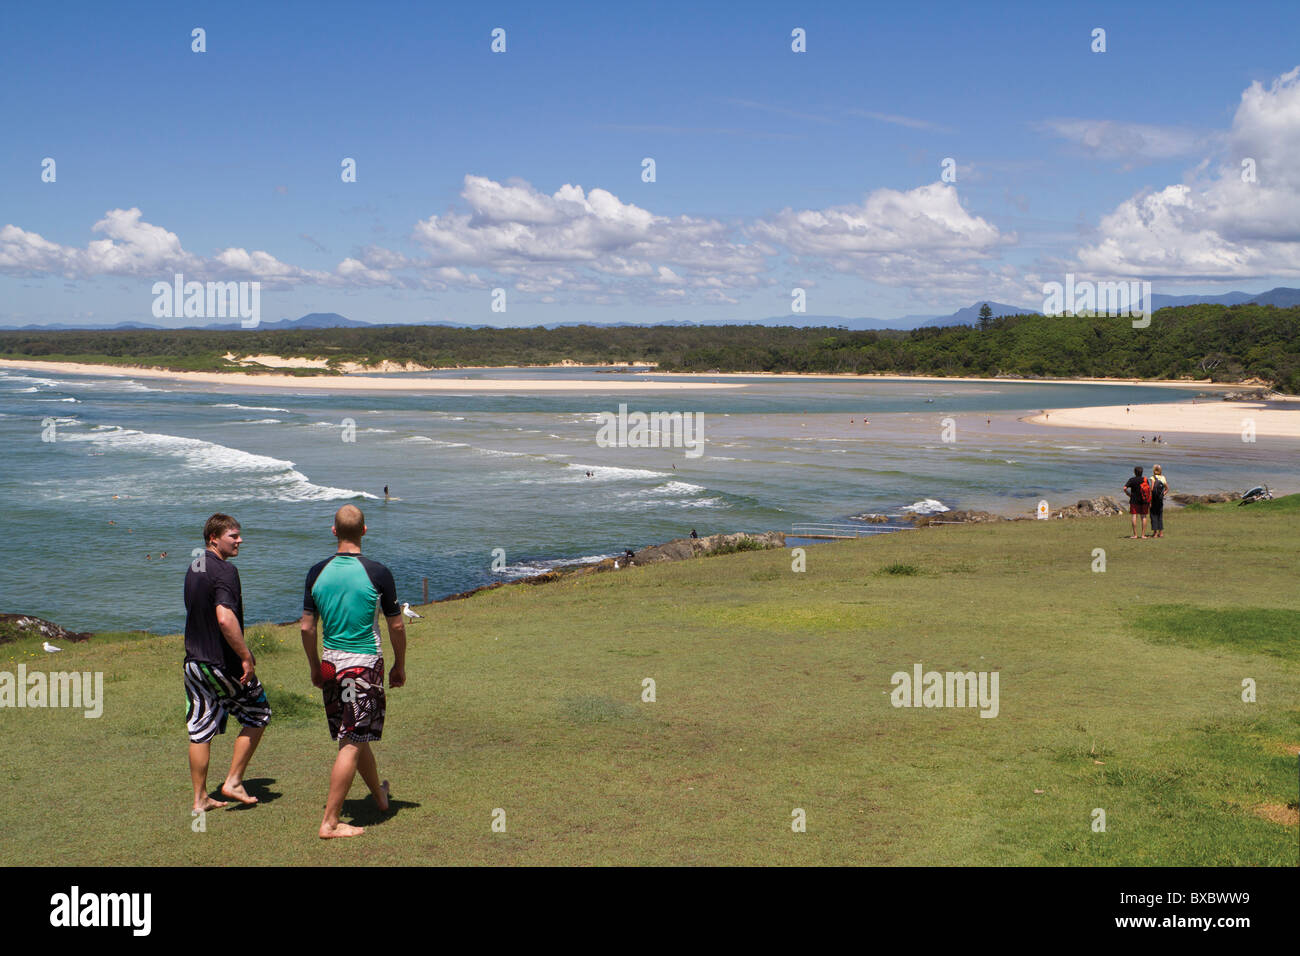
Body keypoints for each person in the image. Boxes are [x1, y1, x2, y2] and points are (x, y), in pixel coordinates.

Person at [301, 504, 406, 839]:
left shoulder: (316, 572)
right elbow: (397, 625)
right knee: (352, 740)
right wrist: (399, 664)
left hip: (332, 666)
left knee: (355, 736)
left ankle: (380, 797)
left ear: (334, 531)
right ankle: (330, 822)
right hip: (363, 666)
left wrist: (315, 666)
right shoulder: (378, 573)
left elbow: (306, 628)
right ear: (364, 530)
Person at [183, 513, 270, 812]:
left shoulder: (194, 568)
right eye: (233, 535)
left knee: (200, 729)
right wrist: (246, 655)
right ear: (213, 539)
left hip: (193, 663)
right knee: (259, 712)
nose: (240, 540)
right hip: (219, 663)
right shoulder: (225, 571)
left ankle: (200, 799)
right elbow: (223, 616)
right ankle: (232, 781)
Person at [1122, 466, 1151, 539]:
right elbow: (1148, 490)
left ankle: (1135, 535)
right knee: (1143, 516)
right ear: (1142, 472)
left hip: (1134, 500)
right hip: (1144, 500)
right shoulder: (1145, 479)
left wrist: (1128, 494)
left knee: (1134, 516)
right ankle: (1143, 535)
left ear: (1134, 472)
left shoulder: (1132, 480)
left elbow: (1124, 488)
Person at [1149, 464, 1169, 538]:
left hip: (1154, 499)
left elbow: (1152, 489)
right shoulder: (1163, 478)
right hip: (1160, 499)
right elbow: (1167, 488)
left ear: (1154, 470)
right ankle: (1161, 533)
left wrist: (1150, 501)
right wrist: (1163, 494)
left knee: (1153, 515)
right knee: (1160, 515)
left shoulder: (1152, 477)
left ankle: (1155, 533)